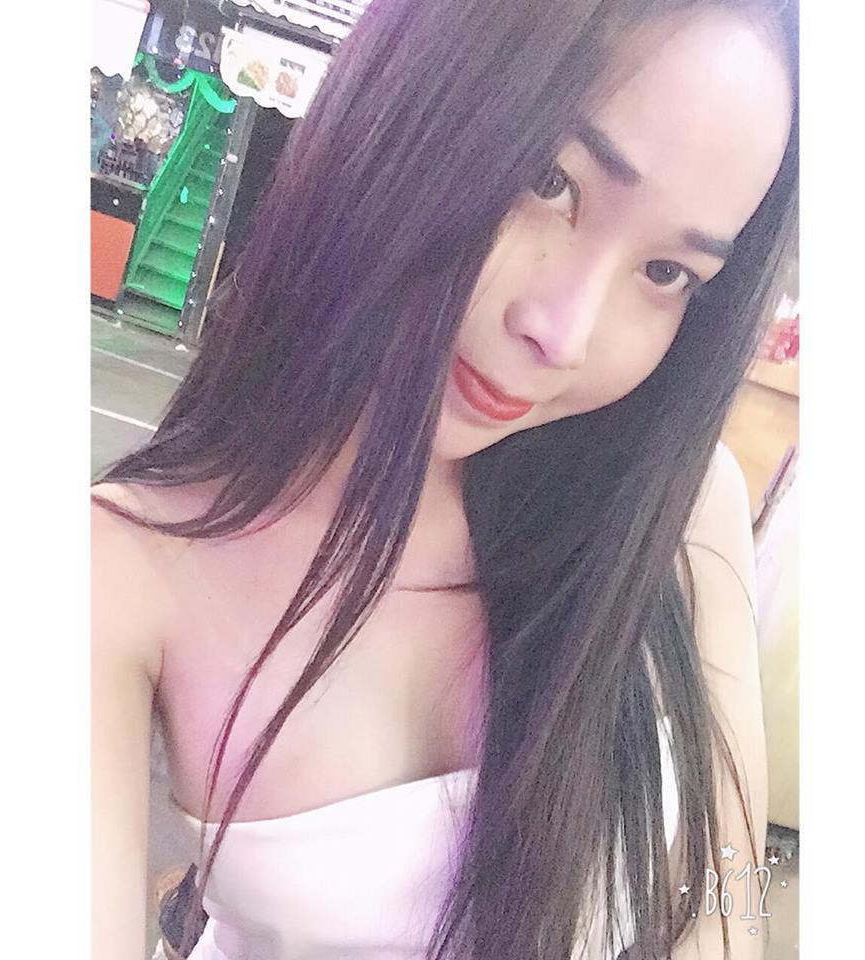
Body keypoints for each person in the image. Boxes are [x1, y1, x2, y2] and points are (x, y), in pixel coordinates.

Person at [91, 0, 799, 957]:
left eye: (668, 272)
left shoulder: (680, 509)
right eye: (550, 180)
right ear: (410, 95)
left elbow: (731, 876)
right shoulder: (125, 570)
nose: (565, 333)